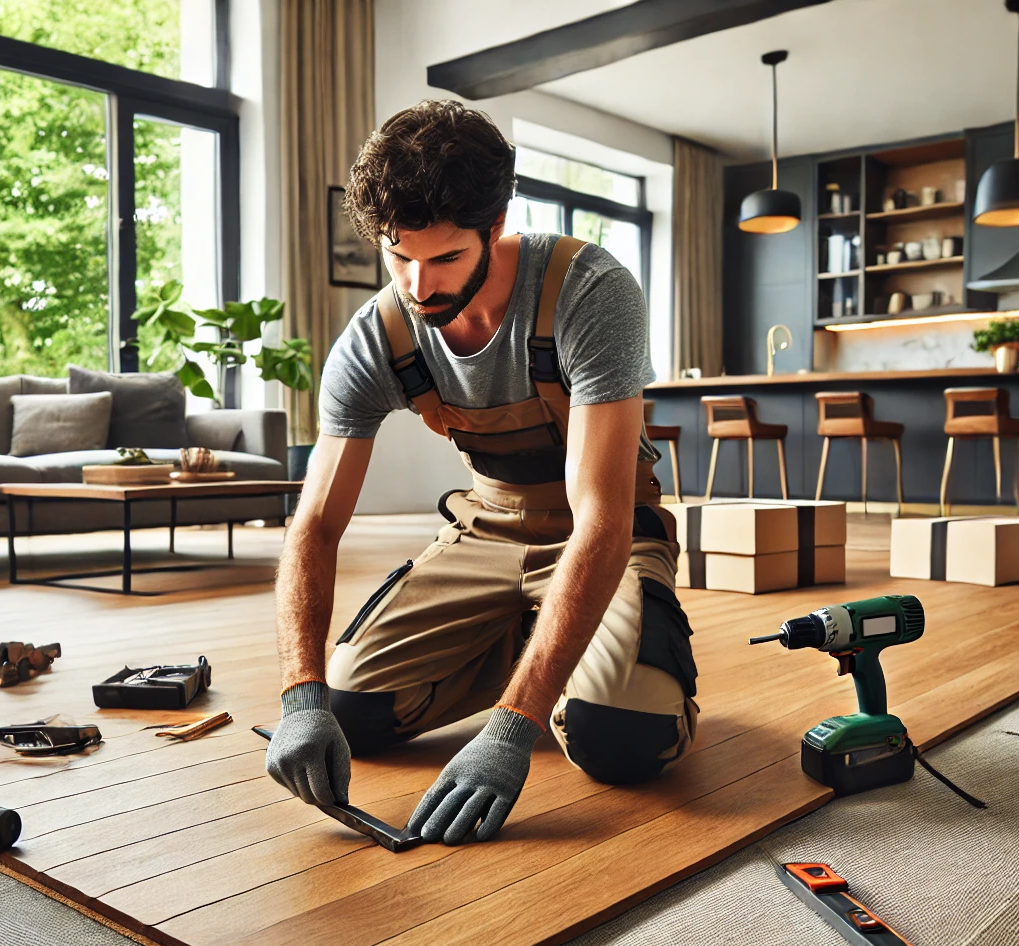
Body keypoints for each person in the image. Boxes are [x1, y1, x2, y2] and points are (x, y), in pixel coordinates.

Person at [265, 100, 697, 846]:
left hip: (603, 532)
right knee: (352, 712)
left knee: (623, 739)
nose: (417, 286)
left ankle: (584, 668)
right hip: (486, 529)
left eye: (444, 259)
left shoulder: (589, 293)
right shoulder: (377, 337)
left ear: (495, 227)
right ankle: (538, 642)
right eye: (399, 256)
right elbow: (315, 526)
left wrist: (510, 729)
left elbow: (601, 519)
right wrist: (300, 698)